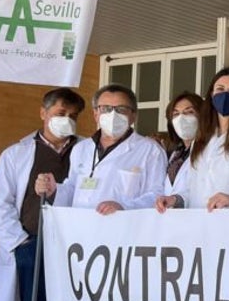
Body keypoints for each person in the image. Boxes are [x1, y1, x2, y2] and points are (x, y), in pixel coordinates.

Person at [0, 88, 85, 301]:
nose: (65, 120)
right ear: (43, 114)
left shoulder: (85, 151)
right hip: (33, 245)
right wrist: (20, 244)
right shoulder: (16, 154)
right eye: (59, 114)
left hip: (77, 249)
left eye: (72, 116)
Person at [156, 68, 229, 212]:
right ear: (211, 96)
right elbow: (193, 189)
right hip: (200, 224)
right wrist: (175, 199)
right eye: (220, 89)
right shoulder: (201, 139)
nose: (225, 95)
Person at [36, 84, 167, 212]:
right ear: (96, 114)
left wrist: (125, 207)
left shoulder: (150, 150)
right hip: (81, 226)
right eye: (106, 109)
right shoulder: (81, 148)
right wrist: (53, 190)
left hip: (123, 228)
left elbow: (157, 194)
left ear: (133, 116)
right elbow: (73, 189)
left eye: (121, 109)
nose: (113, 115)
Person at [163, 91, 203, 196]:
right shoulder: (176, 153)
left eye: (189, 112)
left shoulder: (209, 150)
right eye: (175, 114)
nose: (181, 118)